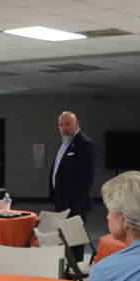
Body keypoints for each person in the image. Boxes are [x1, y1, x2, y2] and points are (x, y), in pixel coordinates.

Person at [50, 112, 95, 263]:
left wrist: (76, 203)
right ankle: (67, 270)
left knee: (75, 242)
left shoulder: (84, 144)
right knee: (65, 238)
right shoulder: (64, 143)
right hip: (62, 201)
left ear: (77, 124)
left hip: (75, 204)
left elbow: (87, 177)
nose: (64, 128)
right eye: (61, 125)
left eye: (68, 124)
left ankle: (76, 271)